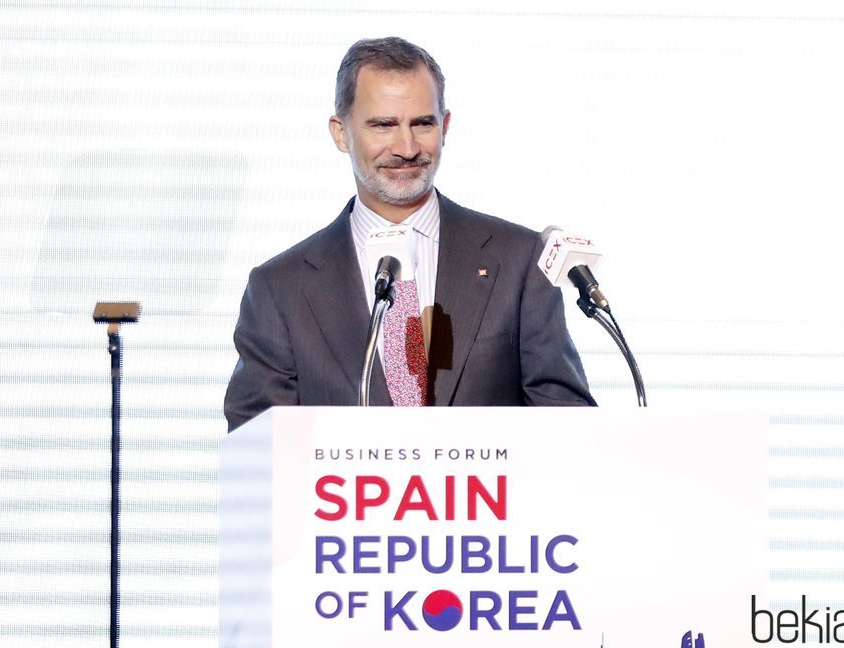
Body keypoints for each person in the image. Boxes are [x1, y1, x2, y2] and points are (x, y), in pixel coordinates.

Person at [224, 36, 595, 432]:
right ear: (340, 133)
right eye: (383, 125)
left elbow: (567, 428)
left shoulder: (519, 260)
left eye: (422, 123)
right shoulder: (279, 289)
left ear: (445, 126)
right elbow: (257, 455)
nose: (406, 147)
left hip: (488, 495)